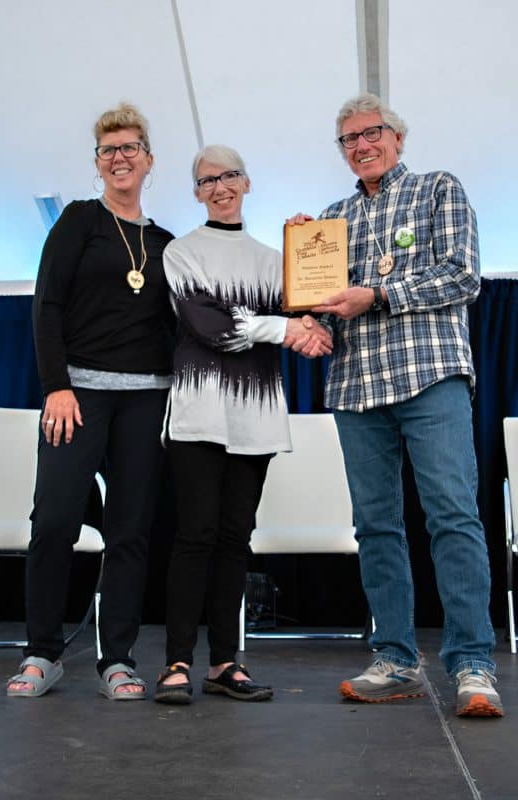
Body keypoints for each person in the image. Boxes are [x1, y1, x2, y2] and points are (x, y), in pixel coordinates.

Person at [288, 93, 502, 718]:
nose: (362, 145)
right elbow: (328, 303)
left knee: (453, 515)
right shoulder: (331, 219)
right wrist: (310, 307)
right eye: (349, 139)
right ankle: (396, 659)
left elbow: (462, 275)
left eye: (372, 133)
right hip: (356, 387)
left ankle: (473, 665)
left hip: (430, 376)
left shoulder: (439, 189)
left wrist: (378, 295)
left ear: (397, 138)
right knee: (375, 526)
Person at [7, 103, 176, 700]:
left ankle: (118, 660)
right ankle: (42, 653)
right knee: (54, 521)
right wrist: (56, 385)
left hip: (146, 401)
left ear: (149, 160)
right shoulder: (79, 221)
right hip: (77, 397)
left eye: (130, 148)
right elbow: (47, 305)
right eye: (109, 150)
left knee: (130, 531)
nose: (119, 157)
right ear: (98, 163)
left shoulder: (165, 243)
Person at [154, 144, 332, 704]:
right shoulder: (181, 252)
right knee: (195, 536)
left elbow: (314, 308)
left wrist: (308, 246)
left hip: (255, 415)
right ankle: (177, 663)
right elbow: (211, 326)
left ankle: (225, 663)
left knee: (235, 539)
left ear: (247, 183)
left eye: (229, 175)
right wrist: (283, 329)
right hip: (198, 414)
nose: (220, 186)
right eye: (207, 179)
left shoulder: (273, 260)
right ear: (196, 192)